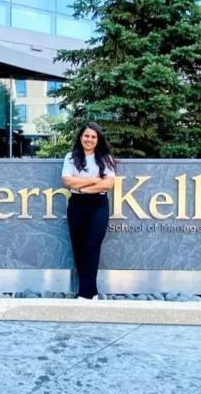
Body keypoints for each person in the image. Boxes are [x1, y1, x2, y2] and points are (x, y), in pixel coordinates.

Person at [61, 122, 117, 299]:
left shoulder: (105, 158)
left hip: (98, 205)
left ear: (98, 139)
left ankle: (86, 292)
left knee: (92, 245)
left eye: (93, 137)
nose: (89, 139)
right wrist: (94, 180)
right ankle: (89, 292)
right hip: (77, 205)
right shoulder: (71, 157)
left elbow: (108, 184)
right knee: (79, 247)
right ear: (80, 137)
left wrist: (81, 187)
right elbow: (67, 181)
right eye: (86, 136)